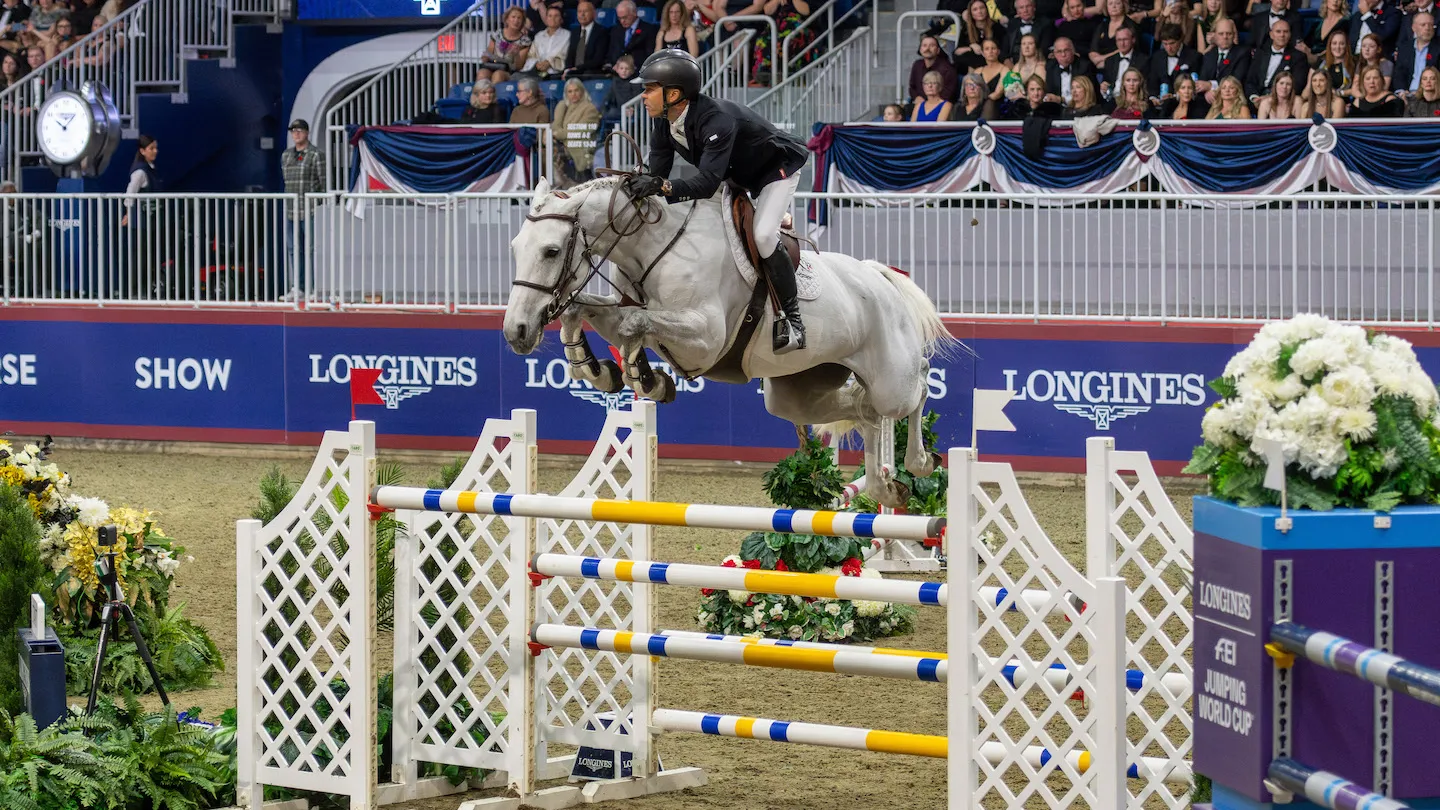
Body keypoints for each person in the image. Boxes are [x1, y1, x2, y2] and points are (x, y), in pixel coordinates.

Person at [625, 49, 810, 354]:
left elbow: (707, 182)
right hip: (738, 175)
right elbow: (658, 173)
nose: (643, 96)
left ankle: (793, 321)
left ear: (673, 93)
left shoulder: (716, 120)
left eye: (648, 89)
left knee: (763, 236)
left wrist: (663, 185)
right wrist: (640, 184)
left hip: (776, 169)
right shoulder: (663, 121)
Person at [280, 120, 324, 301]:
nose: (296, 134)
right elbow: (285, 179)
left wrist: (317, 201)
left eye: (299, 131)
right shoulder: (286, 155)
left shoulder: (315, 155)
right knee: (293, 249)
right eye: (293, 131)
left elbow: (324, 182)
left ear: (307, 133)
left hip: (310, 210)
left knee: (311, 249)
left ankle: (313, 287)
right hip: (292, 210)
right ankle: (298, 287)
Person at [553, 78, 602, 184]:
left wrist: (560, 134)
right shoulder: (563, 106)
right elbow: (555, 126)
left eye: (576, 90)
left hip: (582, 144)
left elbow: (582, 130)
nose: (573, 94)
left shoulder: (589, 108)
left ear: (582, 91)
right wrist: (561, 108)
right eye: (569, 91)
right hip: (565, 144)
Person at [1245, 19, 1308, 101]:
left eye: (1285, 32)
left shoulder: (1299, 57)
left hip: (1281, 100)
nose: (1282, 35)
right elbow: (1250, 80)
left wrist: (1270, 98)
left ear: (1290, 34)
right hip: (1256, 99)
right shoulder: (1260, 53)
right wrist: (1254, 97)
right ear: (1271, 34)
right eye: (1278, 31)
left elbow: (1297, 86)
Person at [1196, 17, 1249, 101]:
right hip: (1208, 99)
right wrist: (1207, 91)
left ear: (1234, 35)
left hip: (1233, 98)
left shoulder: (1243, 53)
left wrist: (1211, 85)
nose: (1225, 37)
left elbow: (1236, 79)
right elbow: (1203, 79)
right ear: (1215, 35)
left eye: (1229, 33)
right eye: (1221, 34)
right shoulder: (1209, 55)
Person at [479, 6, 532, 83]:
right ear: (507, 19)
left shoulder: (525, 41)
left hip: (510, 71)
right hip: (493, 65)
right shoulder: (497, 34)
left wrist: (516, 55)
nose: (516, 20)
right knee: (482, 73)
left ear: (523, 21)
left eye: (519, 18)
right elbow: (489, 51)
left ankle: (492, 94)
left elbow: (519, 66)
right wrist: (485, 56)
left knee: (498, 75)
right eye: (513, 17)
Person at [1147, 23, 1199, 97]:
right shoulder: (1157, 57)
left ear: (1180, 40)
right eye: (1165, 44)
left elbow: (1194, 86)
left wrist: (1175, 96)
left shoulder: (1194, 56)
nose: (1169, 48)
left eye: (1172, 43)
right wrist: (1153, 98)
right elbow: (1152, 83)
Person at [1089, 0, 1139, 73]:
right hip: (1099, 63)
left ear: (1123, 5)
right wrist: (1095, 60)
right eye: (1110, 4)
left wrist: (1104, 59)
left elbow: (1127, 48)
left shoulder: (1130, 25)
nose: (1114, 6)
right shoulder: (1102, 25)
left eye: (1117, 3)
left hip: (1119, 63)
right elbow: (1093, 48)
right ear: (1106, 6)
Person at [955, 0, 1007, 71]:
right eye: (975, 9)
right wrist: (971, 47)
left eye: (982, 8)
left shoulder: (997, 28)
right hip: (970, 66)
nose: (979, 11)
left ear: (986, 10)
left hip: (991, 65)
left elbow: (1002, 52)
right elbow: (956, 52)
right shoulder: (966, 29)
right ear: (971, 13)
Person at [607, 0, 658, 70]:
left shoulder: (648, 29)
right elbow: (611, 53)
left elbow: (649, 55)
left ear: (634, 13)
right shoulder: (616, 30)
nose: (622, 21)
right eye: (619, 18)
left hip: (638, 71)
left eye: (625, 17)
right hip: (618, 72)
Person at [1393, 11, 1436, 94]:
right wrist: (1401, 92)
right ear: (1414, 28)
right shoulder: (1404, 48)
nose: (1427, 28)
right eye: (1423, 25)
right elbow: (1399, 74)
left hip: (1432, 94)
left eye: (1430, 25)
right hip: (1408, 95)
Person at [1044, 36, 1097, 102]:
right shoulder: (1051, 67)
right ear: (1054, 54)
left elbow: (1087, 95)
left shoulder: (1084, 66)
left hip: (1081, 107)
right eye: (1059, 51)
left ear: (1073, 51)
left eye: (1066, 50)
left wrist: (1062, 100)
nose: (1063, 55)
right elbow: (1050, 91)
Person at [564, 1, 609, 77]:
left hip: (590, 72)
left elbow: (598, 59)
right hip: (574, 72)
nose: (582, 14)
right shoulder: (575, 32)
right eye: (579, 11)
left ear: (594, 14)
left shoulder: (601, 31)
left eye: (585, 11)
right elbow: (570, 55)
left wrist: (578, 68)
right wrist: (567, 69)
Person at [909, 34, 959, 102]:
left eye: (932, 45)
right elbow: (912, 87)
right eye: (924, 45)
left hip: (941, 105)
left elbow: (948, 93)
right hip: (919, 103)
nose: (927, 49)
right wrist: (916, 97)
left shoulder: (948, 69)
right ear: (920, 50)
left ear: (938, 50)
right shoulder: (917, 65)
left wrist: (929, 104)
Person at [1100, 26, 1148, 97]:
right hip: (1112, 100)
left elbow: (1145, 86)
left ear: (1133, 40)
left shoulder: (1143, 60)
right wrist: (1104, 87)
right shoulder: (1109, 60)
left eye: (1125, 39)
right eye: (1119, 40)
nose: (1122, 43)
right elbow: (1106, 82)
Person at [527, 5, 571, 77]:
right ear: (546, 18)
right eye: (550, 16)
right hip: (536, 71)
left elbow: (565, 56)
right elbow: (531, 55)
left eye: (556, 16)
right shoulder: (539, 36)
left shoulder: (567, 35)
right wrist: (537, 64)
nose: (552, 18)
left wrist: (549, 63)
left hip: (556, 73)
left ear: (561, 19)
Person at [1349, 32, 1393, 100]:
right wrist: (1363, 99)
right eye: (1363, 46)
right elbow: (1354, 88)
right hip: (1362, 98)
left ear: (1379, 49)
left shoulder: (1386, 64)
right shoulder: (1360, 64)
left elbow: (1384, 88)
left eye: (1371, 46)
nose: (1367, 49)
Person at [1321, 28, 1356, 95]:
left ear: (1346, 46)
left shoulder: (1354, 63)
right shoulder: (1321, 63)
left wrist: (1339, 93)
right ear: (1330, 45)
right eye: (1334, 43)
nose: (1337, 47)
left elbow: (1358, 88)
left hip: (1347, 101)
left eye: (1342, 44)